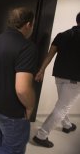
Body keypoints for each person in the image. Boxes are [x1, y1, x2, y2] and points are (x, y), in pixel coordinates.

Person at [0, 7, 37, 154]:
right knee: (12, 150)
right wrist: (30, 107)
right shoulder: (27, 47)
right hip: (12, 111)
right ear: (28, 25)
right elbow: (22, 89)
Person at [33, 12, 80, 148]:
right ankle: (41, 135)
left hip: (59, 76)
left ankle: (67, 125)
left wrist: (41, 70)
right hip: (75, 79)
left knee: (62, 104)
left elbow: (50, 54)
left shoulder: (62, 35)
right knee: (63, 107)